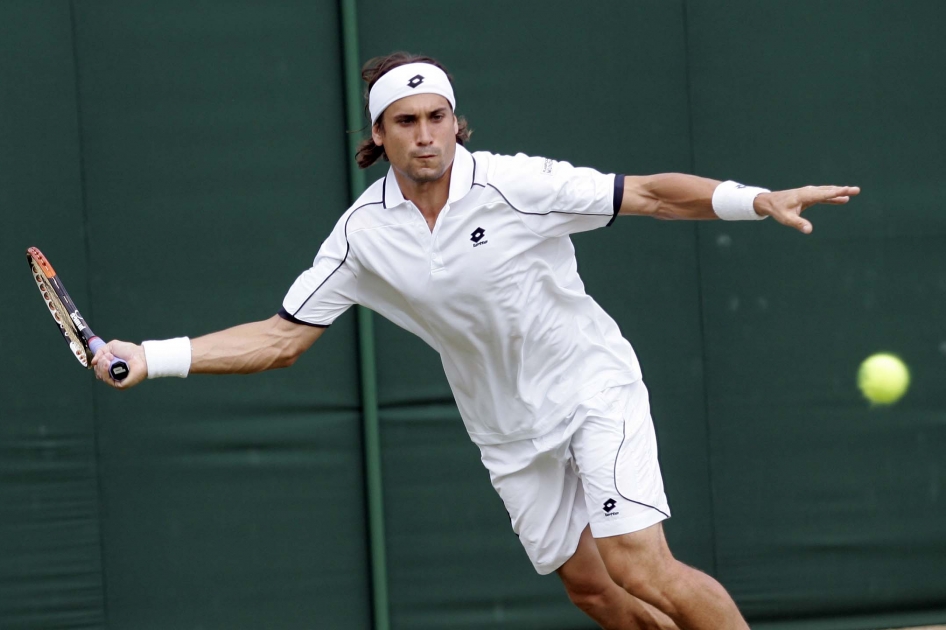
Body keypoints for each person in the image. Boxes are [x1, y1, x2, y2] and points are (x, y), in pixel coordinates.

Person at [93, 51, 859, 630]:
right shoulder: (363, 234)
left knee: (641, 566)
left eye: (436, 118)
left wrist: (755, 199)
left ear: (456, 122)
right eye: (406, 122)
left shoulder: (517, 184)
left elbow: (652, 195)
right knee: (593, 589)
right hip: (506, 428)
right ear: (379, 134)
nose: (425, 136)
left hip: (592, 387)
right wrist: (151, 358)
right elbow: (282, 337)